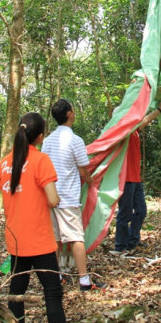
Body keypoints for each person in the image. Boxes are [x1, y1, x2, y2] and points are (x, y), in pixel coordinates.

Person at [0, 112, 67, 323]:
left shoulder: (4, 163)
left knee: (16, 292)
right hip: (40, 240)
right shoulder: (40, 160)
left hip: (16, 239)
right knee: (52, 292)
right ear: (40, 137)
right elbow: (54, 199)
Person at [42, 99, 107, 292]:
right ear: (69, 114)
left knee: (56, 239)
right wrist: (91, 183)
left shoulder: (47, 141)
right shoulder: (75, 140)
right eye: (73, 109)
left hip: (51, 197)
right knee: (76, 238)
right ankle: (84, 280)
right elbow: (83, 171)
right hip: (68, 198)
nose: (74, 112)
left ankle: (58, 276)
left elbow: (45, 167)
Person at [111, 99, 161, 256]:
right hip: (125, 178)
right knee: (124, 213)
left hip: (135, 178)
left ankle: (132, 241)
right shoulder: (121, 132)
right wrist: (159, 109)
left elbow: (143, 120)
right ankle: (120, 246)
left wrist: (160, 108)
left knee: (141, 210)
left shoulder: (134, 131)